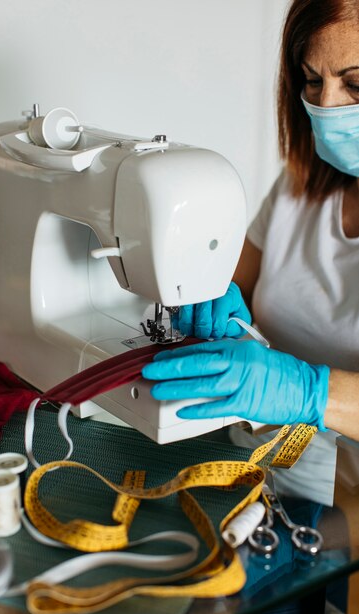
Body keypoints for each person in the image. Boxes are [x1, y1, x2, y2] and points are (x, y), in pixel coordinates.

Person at [142, 0, 359, 444]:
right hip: (265, 464)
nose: (325, 106)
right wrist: (210, 297)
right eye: (312, 81)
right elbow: (230, 284)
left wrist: (310, 394)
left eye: (355, 84)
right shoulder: (300, 184)